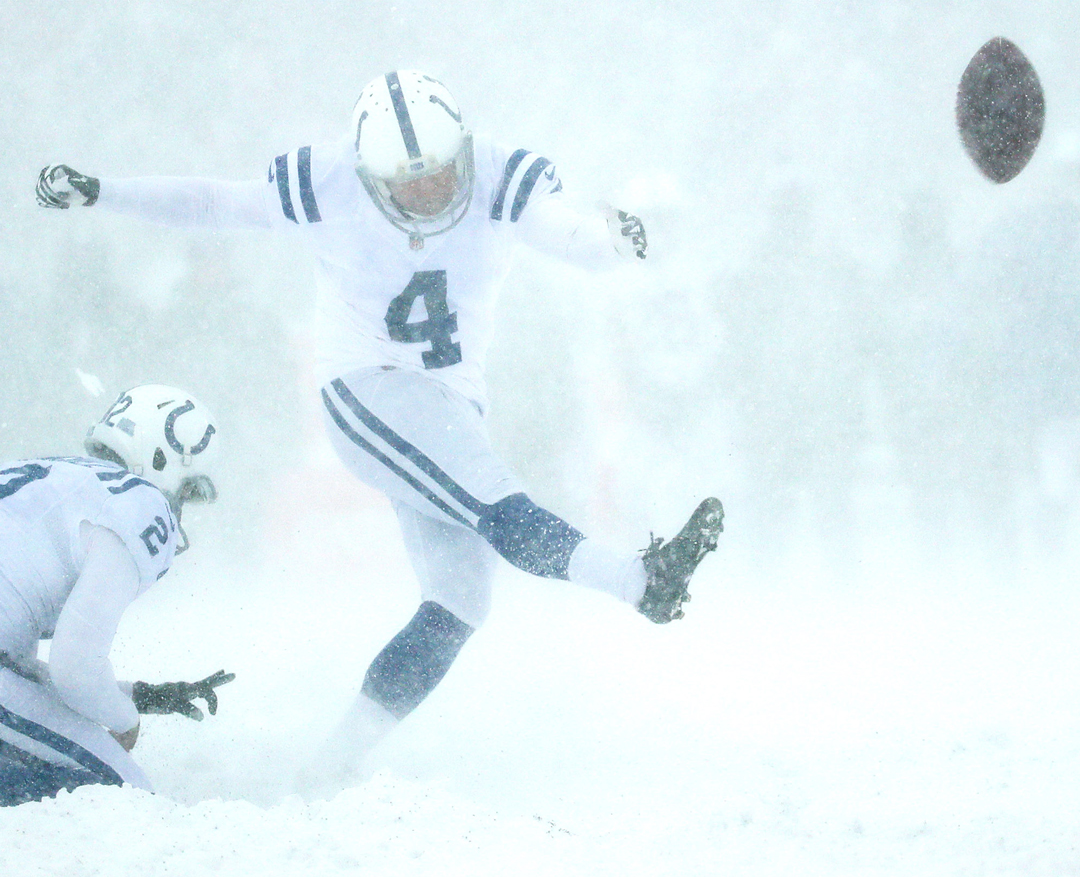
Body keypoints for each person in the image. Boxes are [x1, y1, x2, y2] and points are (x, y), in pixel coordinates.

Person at [35, 70, 723, 783]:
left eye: (442, 171)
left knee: (459, 602)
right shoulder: (330, 182)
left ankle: (329, 766)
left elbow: (563, 231)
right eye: (408, 181)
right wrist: (102, 191)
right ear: (369, 173)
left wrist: (610, 240)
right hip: (366, 387)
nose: (431, 191)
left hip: (450, 402)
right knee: (496, 500)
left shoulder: (494, 170)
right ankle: (639, 581)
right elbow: (217, 201)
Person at [0, 385, 234, 805]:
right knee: (127, 799)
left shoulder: (56, 474)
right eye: (185, 490)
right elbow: (74, 669)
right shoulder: (137, 502)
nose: (177, 505)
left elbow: (18, 674)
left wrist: (140, 695)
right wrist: (125, 721)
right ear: (162, 457)